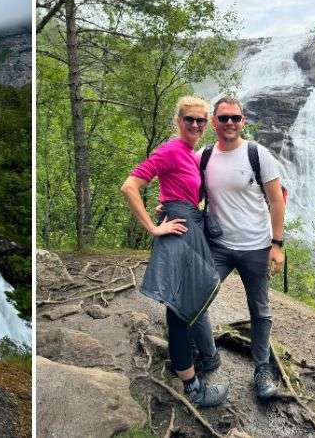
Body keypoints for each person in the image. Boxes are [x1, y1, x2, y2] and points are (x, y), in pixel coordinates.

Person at [120, 96, 228, 408]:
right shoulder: (170, 149)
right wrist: (154, 228)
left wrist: (166, 202)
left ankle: (205, 359)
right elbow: (130, 186)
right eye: (189, 119)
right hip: (179, 233)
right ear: (178, 121)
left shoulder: (192, 154)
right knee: (179, 310)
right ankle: (193, 388)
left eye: (201, 120)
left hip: (189, 228)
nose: (195, 125)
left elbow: (177, 188)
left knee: (192, 299)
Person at [190, 96, 286, 401]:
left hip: (257, 246)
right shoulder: (203, 157)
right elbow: (185, 186)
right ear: (213, 122)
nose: (230, 123)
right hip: (217, 246)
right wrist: (167, 205)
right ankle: (208, 355)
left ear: (243, 121)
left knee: (260, 311)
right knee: (195, 301)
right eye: (223, 118)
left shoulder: (258, 155)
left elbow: (276, 201)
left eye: (235, 117)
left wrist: (277, 244)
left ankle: (262, 369)